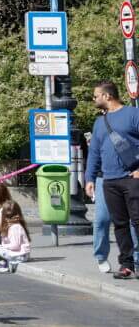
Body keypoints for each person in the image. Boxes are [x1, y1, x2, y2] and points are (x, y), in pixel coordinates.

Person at [85, 80, 139, 279]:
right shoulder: (100, 122)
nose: (94, 99)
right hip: (109, 181)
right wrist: (89, 178)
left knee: (137, 221)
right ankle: (127, 265)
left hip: (131, 178)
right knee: (120, 224)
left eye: (96, 95)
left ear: (107, 96)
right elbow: (94, 153)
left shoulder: (133, 115)